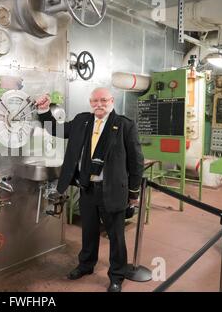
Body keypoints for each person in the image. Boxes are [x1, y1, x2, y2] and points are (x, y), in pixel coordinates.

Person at [35, 87, 144, 292]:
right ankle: (86, 265)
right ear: (90, 102)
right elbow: (56, 129)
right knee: (89, 231)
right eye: (94, 101)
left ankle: (117, 275)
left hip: (112, 190)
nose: (99, 104)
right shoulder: (82, 120)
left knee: (116, 236)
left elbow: (136, 162)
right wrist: (44, 111)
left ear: (111, 101)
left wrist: (133, 193)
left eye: (103, 100)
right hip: (87, 188)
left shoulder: (124, 125)